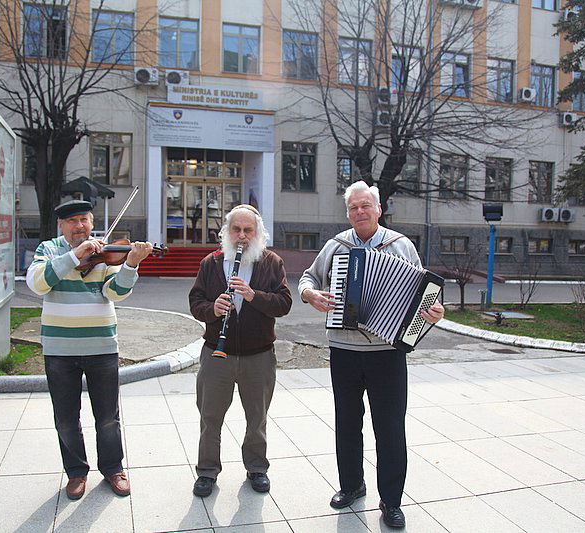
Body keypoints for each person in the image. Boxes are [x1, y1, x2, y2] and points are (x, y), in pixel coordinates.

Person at [298, 181, 444, 529]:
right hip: (344, 350)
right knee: (347, 423)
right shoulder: (336, 246)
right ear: (347, 213)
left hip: (387, 353)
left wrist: (434, 311)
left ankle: (391, 500)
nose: (359, 212)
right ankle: (351, 485)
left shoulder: (401, 246)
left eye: (365, 206)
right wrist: (309, 295)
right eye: (353, 208)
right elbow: (307, 278)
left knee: (390, 427)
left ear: (379, 209)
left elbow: (426, 294)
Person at [26, 199, 152, 501]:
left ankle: (113, 469)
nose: (79, 226)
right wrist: (72, 256)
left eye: (84, 220)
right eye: (72, 221)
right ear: (61, 225)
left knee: (108, 416)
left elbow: (115, 293)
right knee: (66, 418)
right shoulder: (49, 249)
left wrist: (131, 264)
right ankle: (76, 473)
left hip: (101, 346)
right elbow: (37, 284)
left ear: (92, 223)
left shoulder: (106, 253)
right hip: (59, 349)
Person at [188, 204, 292, 497]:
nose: (242, 236)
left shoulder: (271, 263)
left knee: (256, 417)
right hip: (216, 354)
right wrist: (212, 309)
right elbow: (195, 302)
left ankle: (257, 468)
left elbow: (284, 304)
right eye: (237, 229)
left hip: (258, 355)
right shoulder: (211, 262)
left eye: (248, 230)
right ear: (227, 232)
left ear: (258, 233)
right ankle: (207, 471)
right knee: (210, 417)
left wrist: (252, 295)